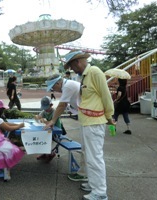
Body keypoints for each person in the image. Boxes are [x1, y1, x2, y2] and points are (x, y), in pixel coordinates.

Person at [63, 50, 115, 200]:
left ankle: (100, 192)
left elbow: (106, 96)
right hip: (87, 122)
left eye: (72, 66)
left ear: (77, 62)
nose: (72, 70)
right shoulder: (85, 76)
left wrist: (109, 116)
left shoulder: (94, 72)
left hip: (94, 123)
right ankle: (93, 184)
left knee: (94, 158)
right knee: (89, 156)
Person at [44, 74, 87, 181]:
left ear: (58, 83)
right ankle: (84, 173)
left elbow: (62, 105)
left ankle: (85, 174)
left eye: (53, 87)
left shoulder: (67, 86)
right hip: (84, 116)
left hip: (88, 118)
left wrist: (52, 121)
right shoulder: (68, 85)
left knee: (87, 148)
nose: (54, 90)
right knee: (86, 148)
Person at [0, 99, 25, 180]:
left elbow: (5, 123)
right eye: (2, 110)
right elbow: (8, 128)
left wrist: (17, 124)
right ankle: (6, 170)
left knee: (9, 145)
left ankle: (3, 167)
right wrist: (20, 126)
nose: (3, 111)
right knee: (14, 149)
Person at [34, 96, 63, 162]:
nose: (45, 110)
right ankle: (44, 153)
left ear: (51, 105)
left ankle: (50, 153)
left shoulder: (55, 112)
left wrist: (43, 121)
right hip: (48, 131)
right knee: (40, 136)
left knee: (46, 138)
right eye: (44, 108)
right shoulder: (44, 112)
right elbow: (38, 116)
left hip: (56, 133)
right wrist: (37, 117)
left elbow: (51, 123)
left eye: (46, 108)